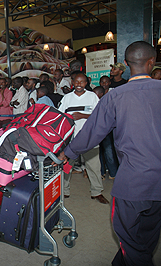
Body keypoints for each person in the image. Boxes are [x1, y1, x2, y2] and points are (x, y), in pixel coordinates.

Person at [58, 41, 161, 266]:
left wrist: (69, 152)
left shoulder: (115, 96)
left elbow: (93, 131)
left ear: (125, 64)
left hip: (132, 184)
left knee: (129, 239)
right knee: (148, 235)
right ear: (152, 63)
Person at [58, 73, 108, 204]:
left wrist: (83, 116)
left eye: (82, 82)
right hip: (71, 139)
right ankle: (64, 191)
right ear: (72, 82)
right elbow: (60, 116)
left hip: (89, 137)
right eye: (77, 82)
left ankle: (97, 192)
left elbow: (99, 116)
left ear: (87, 83)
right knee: (67, 166)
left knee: (94, 166)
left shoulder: (92, 97)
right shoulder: (67, 98)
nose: (79, 84)